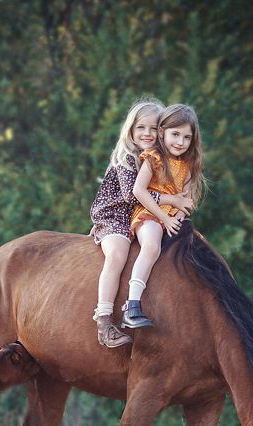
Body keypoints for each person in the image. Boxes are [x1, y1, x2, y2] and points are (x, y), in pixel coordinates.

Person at [88, 99, 193, 347]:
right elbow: (131, 194)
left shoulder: (159, 158)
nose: (147, 134)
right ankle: (104, 321)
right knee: (117, 255)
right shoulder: (126, 157)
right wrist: (173, 200)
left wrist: (179, 209)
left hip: (142, 215)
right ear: (131, 130)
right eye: (141, 128)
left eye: (153, 129)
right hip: (115, 216)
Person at [122, 103, 204, 328]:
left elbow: (185, 200)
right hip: (149, 213)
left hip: (170, 216)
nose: (180, 142)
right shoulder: (153, 158)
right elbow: (139, 191)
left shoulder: (187, 165)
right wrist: (165, 218)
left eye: (186, 137)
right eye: (175, 134)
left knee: (204, 252)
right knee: (151, 246)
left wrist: (176, 218)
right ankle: (132, 304)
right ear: (162, 133)